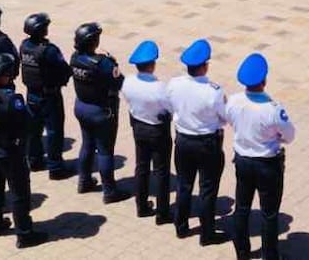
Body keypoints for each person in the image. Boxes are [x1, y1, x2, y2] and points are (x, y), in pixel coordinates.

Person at [0, 53, 48, 247]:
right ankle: (25, 234)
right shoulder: (10, 99)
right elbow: (27, 122)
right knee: (19, 193)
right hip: (10, 151)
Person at [228, 53, 295, 260]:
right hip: (267, 164)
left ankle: (242, 252)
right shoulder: (273, 109)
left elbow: (229, 121)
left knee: (242, 208)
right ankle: (270, 255)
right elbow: (290, 136)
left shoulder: (234, 101)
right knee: (269, 213)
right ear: (264, 81)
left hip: (243, 161)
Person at [167, 38, 229, 246]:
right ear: (205, 65)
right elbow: (224, 118)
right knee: (207, 189)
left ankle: (181, 226)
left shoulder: (174, 84)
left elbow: (169, 107)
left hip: (183, 140)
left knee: (184, 184)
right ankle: (207, 233)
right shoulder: (214, 91)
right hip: (207, 143)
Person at [71, 22, 127, 203]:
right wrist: (113, 62)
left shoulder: (74, 58)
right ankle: (110, 191)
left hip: (82, 107)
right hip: (100, 112)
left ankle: (84, 181)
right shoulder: (102, 63)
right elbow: (120, 82)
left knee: (87, 144)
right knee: (104, 151)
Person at [121, 40, 173, 224]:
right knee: (161, 171)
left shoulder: (128, 81)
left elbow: (127, 99)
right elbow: (170, 108)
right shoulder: (160, 87)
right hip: (157, 130)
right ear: (152, 64)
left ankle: (141, 206)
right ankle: (162, 213)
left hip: (138, 127)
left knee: (141, 167)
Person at [19, 12, 72, 179]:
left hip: (31, 94)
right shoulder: (48, 50)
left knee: (33, 130)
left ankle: (34, 160)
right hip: (49, 96)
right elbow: (65, 69)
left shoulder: (24, 46)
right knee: (54, 131)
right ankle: (55, 167)